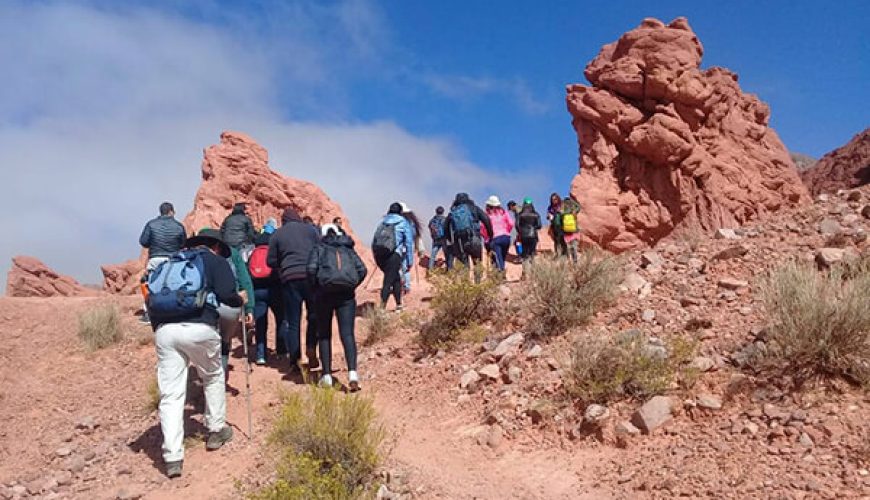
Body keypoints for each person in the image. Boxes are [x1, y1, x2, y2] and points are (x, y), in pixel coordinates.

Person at [150, 229, 245, 478]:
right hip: (200, 328)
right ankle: (216, 431)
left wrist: (159, 332)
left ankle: (172, 457)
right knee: (212, 376)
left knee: (170, 394)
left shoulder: (170, 263)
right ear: (215, 246)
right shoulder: (214, 261)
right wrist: (240, 300)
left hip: (165, 331)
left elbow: (151, 300)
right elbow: (227, 296)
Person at [306, 224, 367, 391]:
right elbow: (362, 270)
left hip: (324, 295)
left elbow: (311, 269)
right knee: (347, 334)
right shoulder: (348, 248)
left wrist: (316, 288)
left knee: (324, 334)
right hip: (346, 296)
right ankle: (353, 374)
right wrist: (352, 285)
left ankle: (326, 376)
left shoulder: (319, 248)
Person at [267, 207, 321, 371]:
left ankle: (295, 361)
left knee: (293, 322)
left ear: (284, 221)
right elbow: (320, 251)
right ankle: (311, 346)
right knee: (313, 315)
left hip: (290, 279)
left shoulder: (277, 234)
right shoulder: (311, 231)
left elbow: (270, 261)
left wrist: (283, 266)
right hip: (311, 277)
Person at [139, 202, 186, 323]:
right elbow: (183, 244)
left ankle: (148, 314)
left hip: (155, 259)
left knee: (150, 285)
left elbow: (143, 241)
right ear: (171, 212)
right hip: (173, 260)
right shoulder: (178, 226)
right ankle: (173, 312)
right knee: (173, 285)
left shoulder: (151, 224)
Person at [250, 218, 286, 365]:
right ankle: (282, 351)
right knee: (280, 319)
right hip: (275, 289)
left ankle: (260, 355)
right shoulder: (275, 251)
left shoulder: (254, 251)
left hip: (258, 290)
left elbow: (249, 271)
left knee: (261, 323)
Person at [371, 203, 413, 310]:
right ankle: (381, 309)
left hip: (380, 254)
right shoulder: (403, 223)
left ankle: (399, 305)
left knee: (396, 279)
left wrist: (376, 256)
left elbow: (374, 240)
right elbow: (408, 243)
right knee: (388, 281)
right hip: (394, 255)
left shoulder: (383, 222)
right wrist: (409, 261)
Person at [445, 193, 493, 282]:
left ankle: (465, 288)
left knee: (463, 266)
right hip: (474, 239)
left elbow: (445, 228)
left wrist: (451, 240)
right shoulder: (474, 208)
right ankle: (477, 286)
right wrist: (490, 235)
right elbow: (486, 219)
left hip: (459, 242)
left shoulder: (453, 211)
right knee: (477, 263)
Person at [484, 196, 513, 272]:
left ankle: (500, 275)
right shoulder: (503, 212)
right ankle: (501, 274)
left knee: (498, 258)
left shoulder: (487, 214)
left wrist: (486, 237)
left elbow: (483, 227)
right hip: (506, 238)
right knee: (502, 258)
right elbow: (511, 223)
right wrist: (507, 231)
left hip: (495, 238)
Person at [399, 203, 424, 293]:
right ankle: (406, 286)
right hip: (409, 246)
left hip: (398, 247)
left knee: (398, 266)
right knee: (406, 267)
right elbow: (415, 235)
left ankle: (400, 284)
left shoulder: (397, 221)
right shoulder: (411, 222)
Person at [517, 198, 542, 271]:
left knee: (524, 254)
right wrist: (533, 228)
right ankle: (533, 271)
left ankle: (524, 272)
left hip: (523, 236)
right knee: (532, 253)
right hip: (533, 236)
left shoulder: (520, 214)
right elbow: (539, 225)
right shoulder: (536, 214)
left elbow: (517, 225)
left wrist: (521, 231)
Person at [561, 195, 582, 262]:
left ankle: (569, 261)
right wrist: (572, 200)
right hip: (574, 230)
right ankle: (575, 261)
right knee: (574, 246)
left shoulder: (563, 211)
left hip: (566, 231)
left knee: (567, 247)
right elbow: (579, 207)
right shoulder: (574, 212)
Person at [547, 193, 568, 258]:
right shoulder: (550, 207)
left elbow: (567, 213)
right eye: (552, 199)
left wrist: (562, 212)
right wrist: (548, 216)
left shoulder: (562, 205)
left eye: (555, 199)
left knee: (562, 240)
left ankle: (565, 254)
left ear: (558, 198)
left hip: (563, 225)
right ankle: (557, 254)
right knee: (556, 241)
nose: (554, 201)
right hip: (554, 226)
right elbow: (548, 215)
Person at [427, 206, 448, 271]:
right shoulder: (445, 219)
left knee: (433, 255)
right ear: (443, 212)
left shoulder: (432, 220)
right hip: (443, 239)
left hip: (435, 239)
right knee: (446, 254)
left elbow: (429, 227)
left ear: (436, 211)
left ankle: (430, 269)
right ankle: (448, 269)